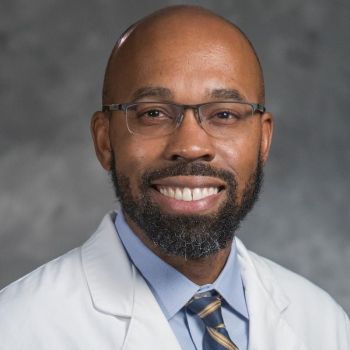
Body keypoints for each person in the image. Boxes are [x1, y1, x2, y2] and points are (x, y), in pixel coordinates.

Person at [0, 5, 349, 350]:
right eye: (154, 113)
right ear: (105, 140)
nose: (191, 145)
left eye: (224, 114)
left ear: (264, 139)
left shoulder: (324, 324)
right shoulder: (17, 329)